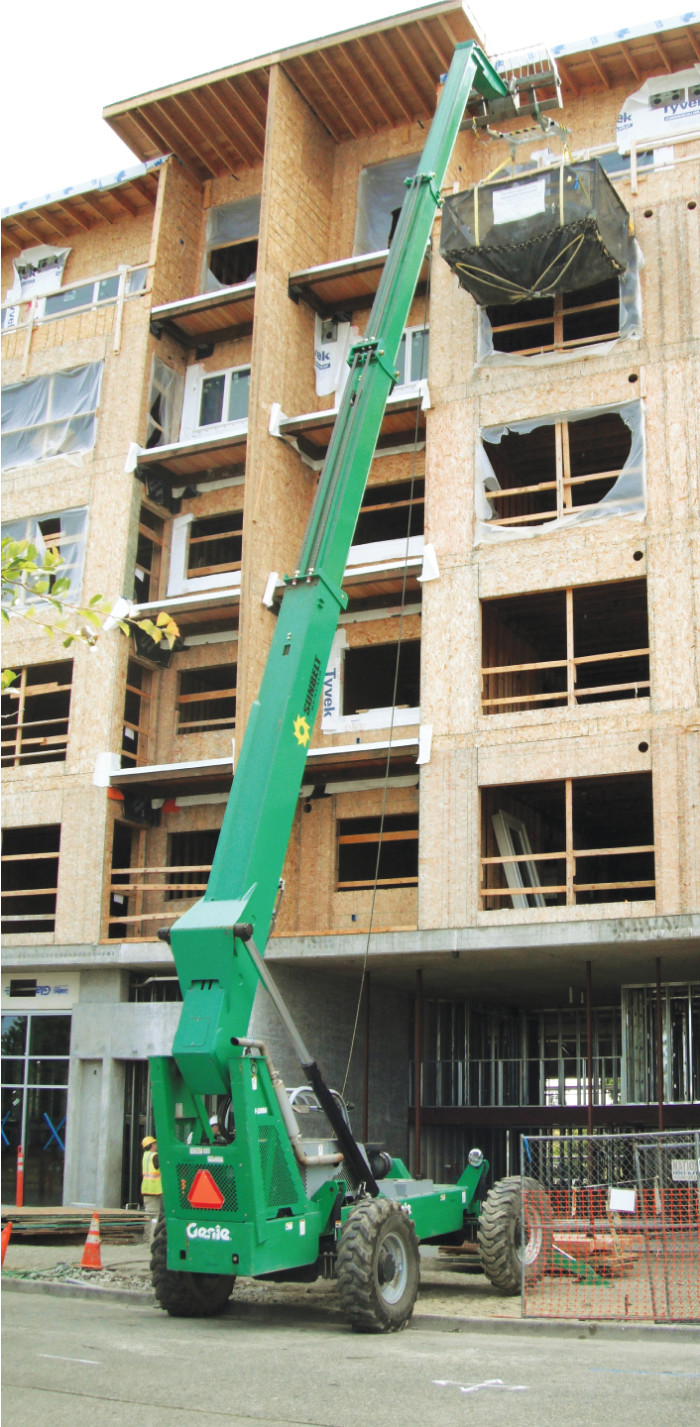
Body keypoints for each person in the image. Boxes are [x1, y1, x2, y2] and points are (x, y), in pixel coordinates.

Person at [141, 1135, 162, 1241]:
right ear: (151, 1145)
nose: (157, 1145)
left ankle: (146, 1238)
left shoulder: (146, 1156)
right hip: (154, 1191)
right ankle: (151, 1240)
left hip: (147, 1190)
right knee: (154, 1217)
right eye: (155, 1143)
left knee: (149, 1216)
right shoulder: (155, 1156)